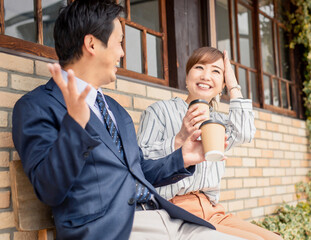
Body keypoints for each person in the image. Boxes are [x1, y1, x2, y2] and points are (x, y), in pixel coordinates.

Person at [11, 1, 246, 240]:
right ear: (92, 44)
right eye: (120, 42)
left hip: (167, 219)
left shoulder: (116, 110)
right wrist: (75, 125)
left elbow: (137, 170)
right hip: (111, 229)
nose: (123, 53)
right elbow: (48, 189)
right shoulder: (36, 106)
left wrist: (182, 157)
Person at [137, 47, 283, 240]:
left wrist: (232, 83)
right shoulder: (160, 111)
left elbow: (245, 132)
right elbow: (140, 163)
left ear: (221, 85)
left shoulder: (218, 121)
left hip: (212, 209)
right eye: (199, 67)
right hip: (174, 209)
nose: (206, 76)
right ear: (187, 77)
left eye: (216, 71)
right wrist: (179, 138)